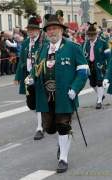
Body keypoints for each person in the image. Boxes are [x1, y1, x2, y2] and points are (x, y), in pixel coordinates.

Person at [30, 15, 88, 173]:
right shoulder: (42, 49)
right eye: (48, 29)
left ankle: (63, 157)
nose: (51, 31)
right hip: (45, 97)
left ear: (61, 30)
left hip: (64, 95)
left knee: (63, 126)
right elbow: (37, 69)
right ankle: (61, 144)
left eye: (54, 28)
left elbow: (83, 71)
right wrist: (31, 78)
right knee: (49, 128)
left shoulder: (73, 47)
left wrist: (75, 89)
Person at [14, 14, 45, 140]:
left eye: (33, 29)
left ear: (38, 30)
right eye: (29, 29)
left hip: (39, 76)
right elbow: (21, 61)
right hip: (27, 76)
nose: (30, 32)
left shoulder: (44, 42)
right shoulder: (26, 42)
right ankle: (43, 119)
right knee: (31, 103)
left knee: (38, 101)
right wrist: (17, 76)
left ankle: (39, 128)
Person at [83, 22, 110, 109]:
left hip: (100, 66)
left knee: (99, 83)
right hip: (90, 66)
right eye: (89, 35)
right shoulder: (85, 44)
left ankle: (99, 101)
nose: (91, 37)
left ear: (96, 34)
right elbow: (83, 54)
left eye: (92, 35)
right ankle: (101, 95)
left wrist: (109, 67)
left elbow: (108, 57)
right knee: (92, 83)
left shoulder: (103, 43)